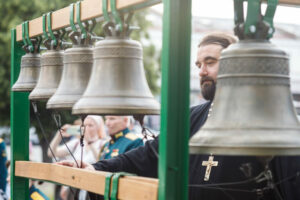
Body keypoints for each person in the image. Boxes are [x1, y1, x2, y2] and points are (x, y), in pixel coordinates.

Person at [58, 33, 300, 200]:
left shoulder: (267, 121)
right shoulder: (193, 117)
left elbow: (291, 183)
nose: (202, 71)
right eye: (198, 65)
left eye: (210, 62)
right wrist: (95, 167)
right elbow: (148, 156)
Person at [49, 115, 107, 200]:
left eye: (90, 125)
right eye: (84, 125)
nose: (86, 128)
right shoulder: (77, 143)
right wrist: (59, 135)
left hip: (92, 187)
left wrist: (89, 142)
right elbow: (51, 153)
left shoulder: (103, 143)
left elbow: (101, 161)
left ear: (98, 127)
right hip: (75, 186)